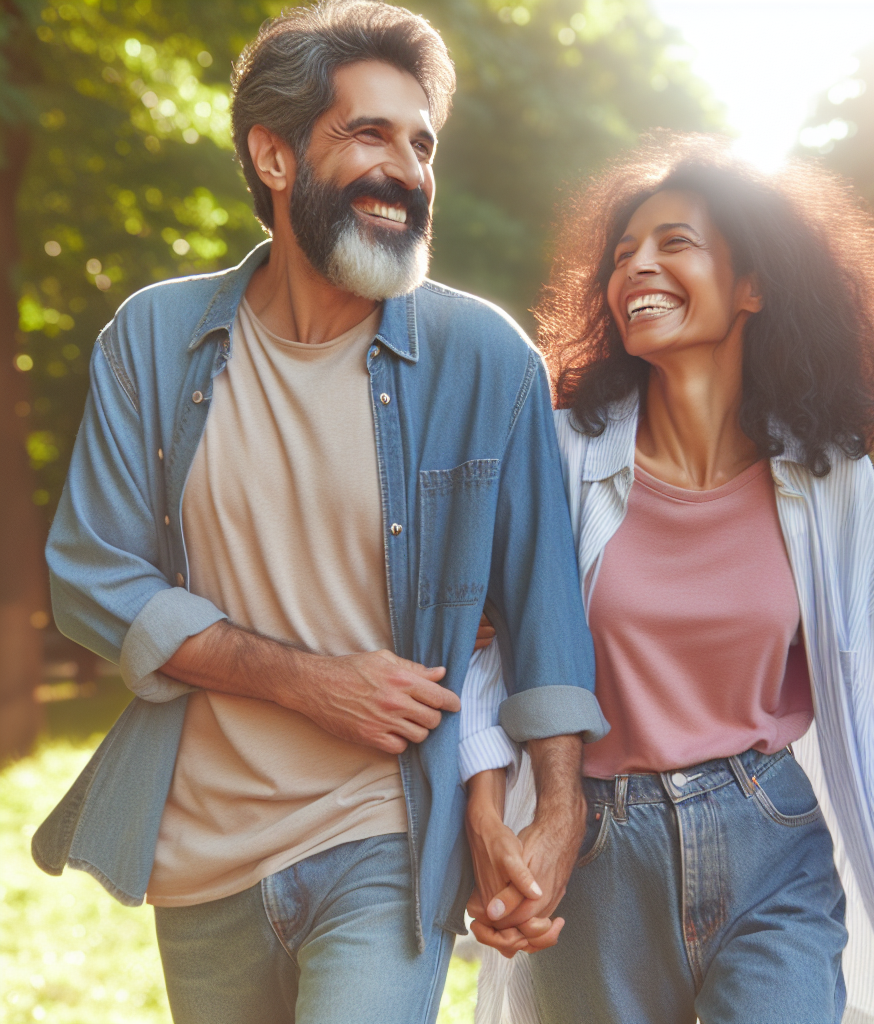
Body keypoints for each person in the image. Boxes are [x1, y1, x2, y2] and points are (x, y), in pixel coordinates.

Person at [31, 3, 606, 1022]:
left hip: (383, 837)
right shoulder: (154, 339)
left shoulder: (485, 362)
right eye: (369, 133)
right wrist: (310, 683)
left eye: (421, 144)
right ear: (275, 154)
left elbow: (542, 612)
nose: (407, 169)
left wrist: (556, 810)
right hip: (203, 850)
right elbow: (93, 575)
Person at [461, 133, 874, 1024]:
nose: (638, 264)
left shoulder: (830, 476)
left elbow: (861, 705)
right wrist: (492, 823)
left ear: (753, 284)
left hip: (773, 842)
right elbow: (491, 657)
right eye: (622, 254)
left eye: (673, 243)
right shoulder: (561, 454)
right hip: (599, 853)